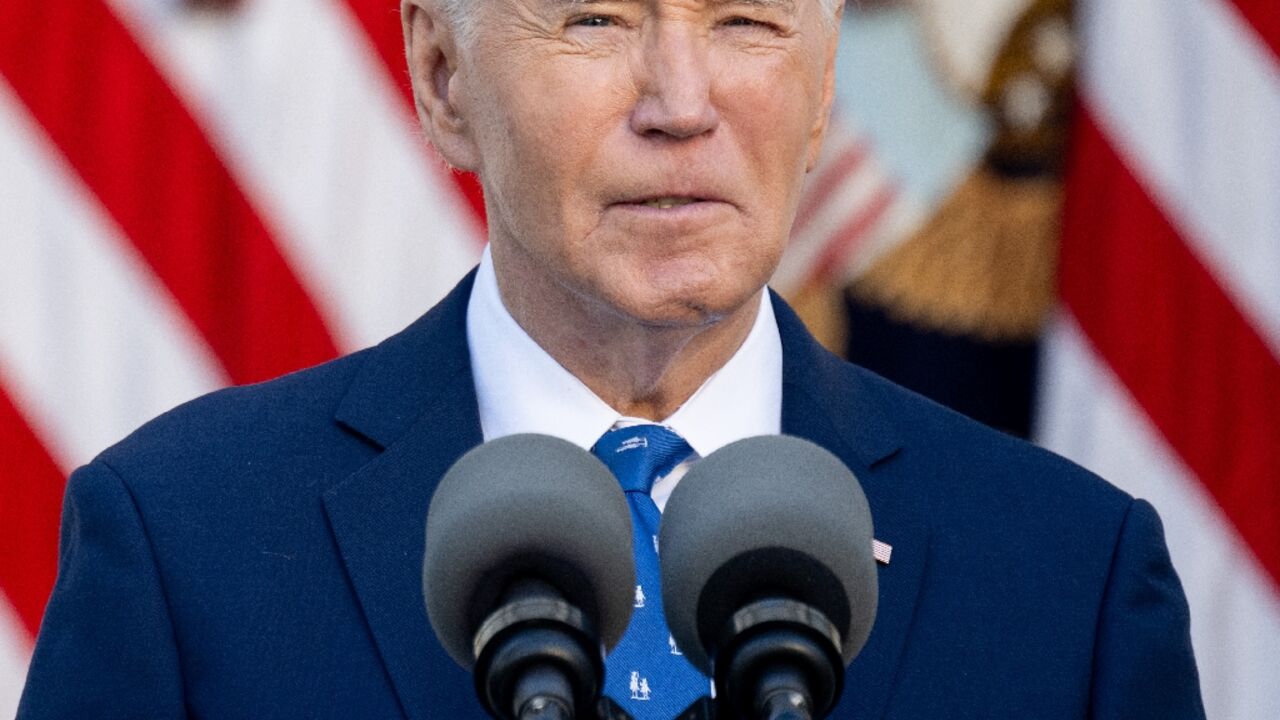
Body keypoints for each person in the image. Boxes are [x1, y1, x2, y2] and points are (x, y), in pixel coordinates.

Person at [18, 0, 1205, 717]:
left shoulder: (1070, 582)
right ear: (440, 78)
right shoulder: (182, 547)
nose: (680, 103)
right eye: (594, 18)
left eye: (743, 19)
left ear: (822, 82)